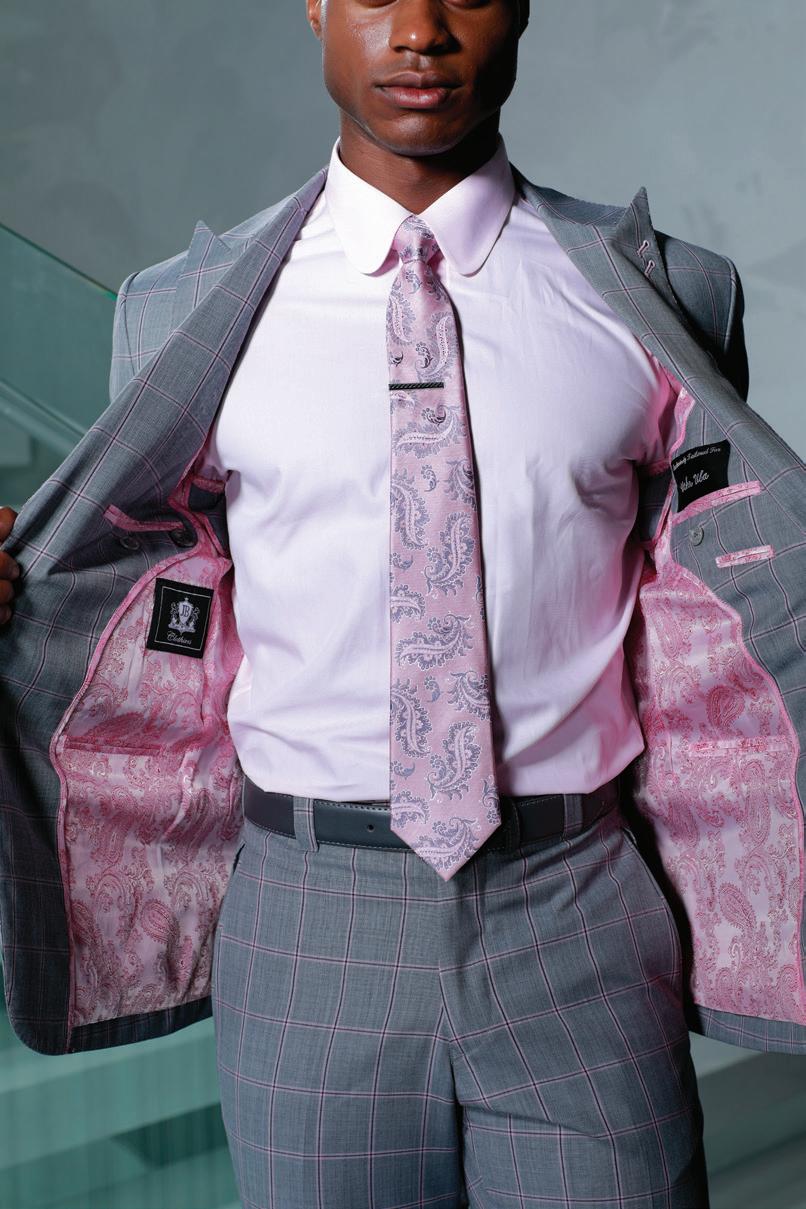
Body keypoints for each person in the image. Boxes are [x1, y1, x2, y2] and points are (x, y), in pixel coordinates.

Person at [5, 1, 804, 1206]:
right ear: (316, 6)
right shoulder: (179, 313)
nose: (419, 30)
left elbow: (718, 580)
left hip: (577, 906)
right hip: (305, 916)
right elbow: (133, 586)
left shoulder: (666, 293)